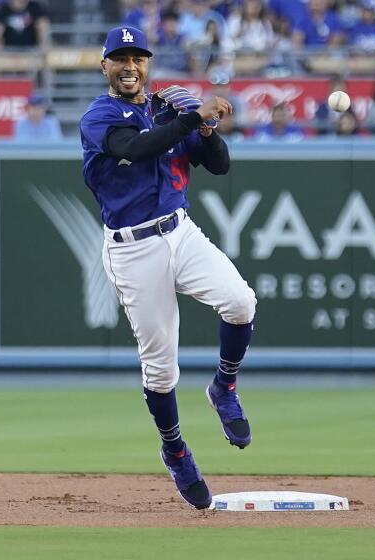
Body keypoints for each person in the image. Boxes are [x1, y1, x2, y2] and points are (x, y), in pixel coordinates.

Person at [79, 26, 256, 510]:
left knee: (241, 302)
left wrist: (203, 129)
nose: (130, 65)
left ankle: (224, 388)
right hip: (133, 250)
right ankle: (175, 449)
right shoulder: (100, 115)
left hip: (180, 230)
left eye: (138, 57)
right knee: (161, 371)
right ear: (105, 66)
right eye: (120, 58)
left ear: (148, 64)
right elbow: (135, 149)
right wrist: (190, 117)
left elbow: (218, 165)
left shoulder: (167, 109)